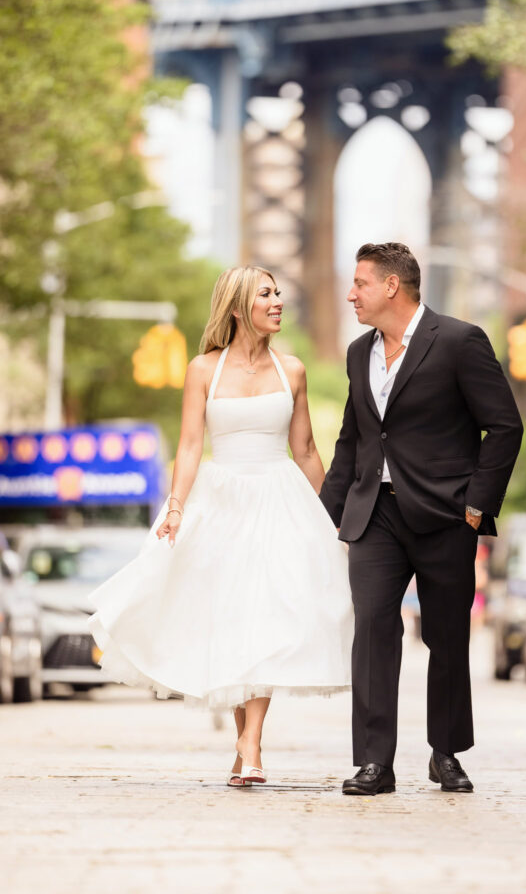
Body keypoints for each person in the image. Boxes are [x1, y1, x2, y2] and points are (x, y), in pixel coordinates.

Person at [89, 267, 353, 786]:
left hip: (280, 502)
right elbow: (190, 445)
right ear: (237, 308)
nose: (277, 301)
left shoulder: (293, 370)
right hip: (222, 504)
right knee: (235, 621)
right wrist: (175, 506)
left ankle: (250, 743)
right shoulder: (202, 370)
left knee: (269, 620)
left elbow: (304, 450)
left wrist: (336, 517)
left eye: (278, 293)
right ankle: (245, 745)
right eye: (266, 294)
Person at [320, 243, 523, 796]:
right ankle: (373, 763)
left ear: (391, 286)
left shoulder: (459, 341)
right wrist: (325, 516)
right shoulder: (358, 351)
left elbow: (504, 426)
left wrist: (476, 508)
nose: (351, 293)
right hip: (375, 516)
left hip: (444, 516)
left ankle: (446, 751)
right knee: (373, 635)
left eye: (359, 283)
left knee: (447, 636)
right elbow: (354, 439)